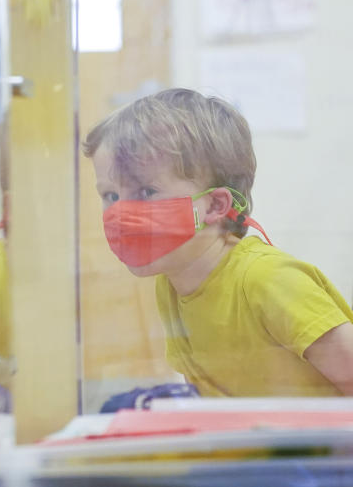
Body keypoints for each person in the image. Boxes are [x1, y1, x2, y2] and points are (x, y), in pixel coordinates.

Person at [83, 88, 353, 397]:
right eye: (110, 196)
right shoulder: (171, 286)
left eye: (146, 192)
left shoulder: (267, 280)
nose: (120, 212)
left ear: (214, 206)